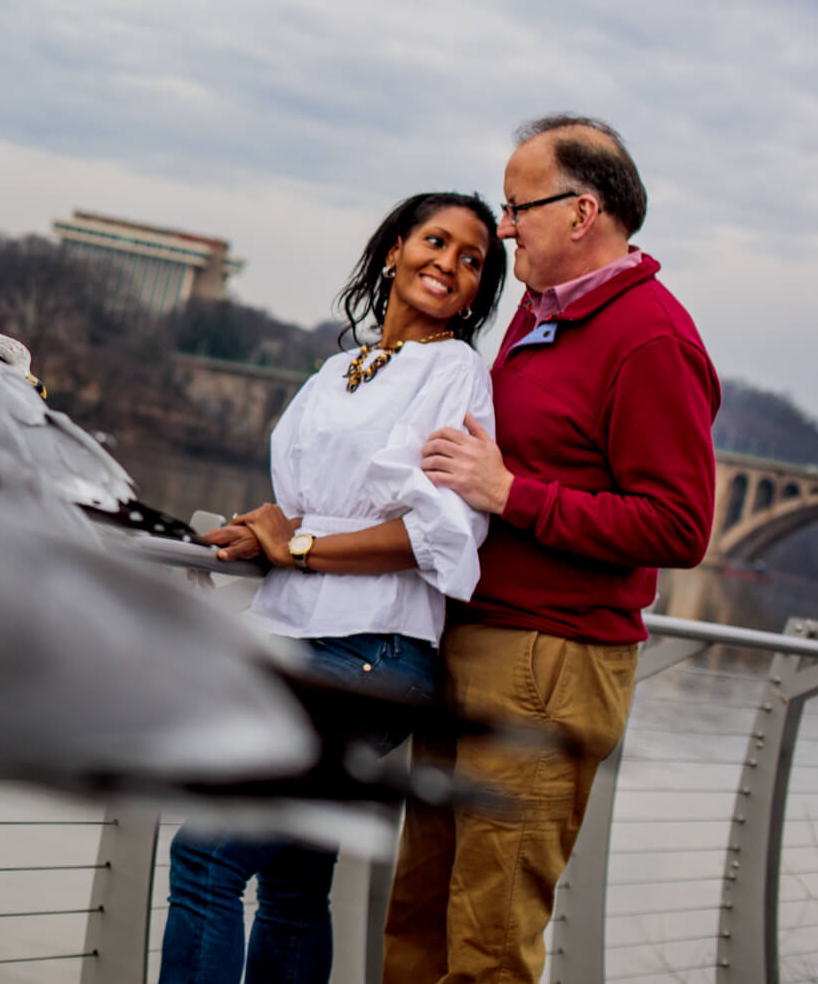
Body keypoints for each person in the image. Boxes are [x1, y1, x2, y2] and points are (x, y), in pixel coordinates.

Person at [381, 115, 721, 984]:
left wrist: (512, 494)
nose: (502, 228)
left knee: (489, 945)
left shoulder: (651, 337)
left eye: (515, 206)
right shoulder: (540, 314)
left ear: (581, 211)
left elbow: (679, 524)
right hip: (471, 639)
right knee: (418, 922)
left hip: (550, 661)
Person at [160, 191, 508, 984]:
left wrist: (301, 545)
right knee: (290, 886)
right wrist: (265, 528)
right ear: (393, 249)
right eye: (435, 241)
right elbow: (312, 505)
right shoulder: (332, 372)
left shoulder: (455, 373)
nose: (448, 264)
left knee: (208, 855)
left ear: (476, 291)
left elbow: (437, 536)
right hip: (294, 641)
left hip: (371, 656)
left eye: (471, 260)